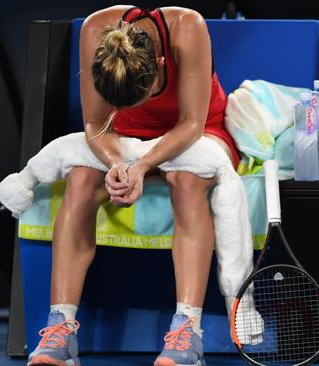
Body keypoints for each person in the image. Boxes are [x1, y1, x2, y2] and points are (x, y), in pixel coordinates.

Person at [27, 5, 239, 366]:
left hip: (199, 132)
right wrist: (117, 165)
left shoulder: (188, 26)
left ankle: (188, 332)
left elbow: (191, 122)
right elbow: (96, 124)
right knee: (79, 181)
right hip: (122, 137)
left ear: (159, 64)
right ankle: (61, 329)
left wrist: (142, 166)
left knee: (186, 182)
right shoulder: (95, 29)